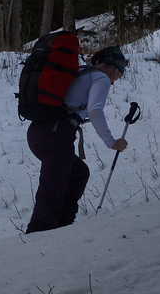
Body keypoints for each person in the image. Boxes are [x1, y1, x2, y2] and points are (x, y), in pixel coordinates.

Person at [26, 46, 128, 234]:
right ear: (115, 68)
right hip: (56, 134)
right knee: (53, 187)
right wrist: (111, 142)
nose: (113, 82)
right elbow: (95, 110)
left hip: (37, 132)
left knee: (78, 173)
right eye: (117, 76)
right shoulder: (101, 78)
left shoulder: (81, 71)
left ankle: (63, 227)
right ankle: (38, 236)